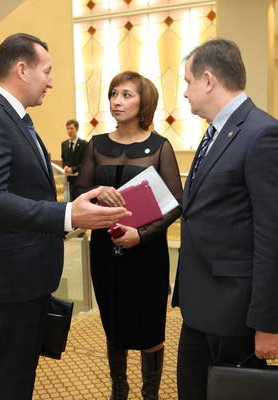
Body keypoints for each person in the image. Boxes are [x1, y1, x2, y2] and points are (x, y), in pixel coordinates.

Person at [0, 33, 130, 400]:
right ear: (22, 69)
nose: (50, 82)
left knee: (21, 378)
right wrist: (67, 214)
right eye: (46, 72)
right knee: (8, 383)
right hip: (10, 281)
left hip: (28, 277)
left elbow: (27, 191)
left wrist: (80, 202)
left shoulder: (16, 119)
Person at [171, 38, 278, 399]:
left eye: (188, 82)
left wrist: (268, 323)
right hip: (201, 305)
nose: (185, 92)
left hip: (236, 313)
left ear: (208, 80)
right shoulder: (215, 131)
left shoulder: (264, 135)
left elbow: (276, 238)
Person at [74, 71, 182, 400]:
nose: (116, 101)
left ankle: (150, 394)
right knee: (114, 321)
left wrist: (142, 235)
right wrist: (97, 191)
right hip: (104, 249)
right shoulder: (96, 145)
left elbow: (176, 202)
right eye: (113, 94)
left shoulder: (160, 147)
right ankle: (118, 389)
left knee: (150, 326)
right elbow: (78, 192)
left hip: (147, 251)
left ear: (143, 102)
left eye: (126, 95)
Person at [61, 119, 87, 200]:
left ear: (77, 129)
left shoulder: (84, 144)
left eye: (71, 128)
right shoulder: (64, 144)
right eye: (67, 129)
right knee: (70, 200)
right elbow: (64, 159)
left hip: (80, 179)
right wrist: (65, 166)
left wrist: (73, 169)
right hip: (68, 179)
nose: (69, 131)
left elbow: (85, 162)